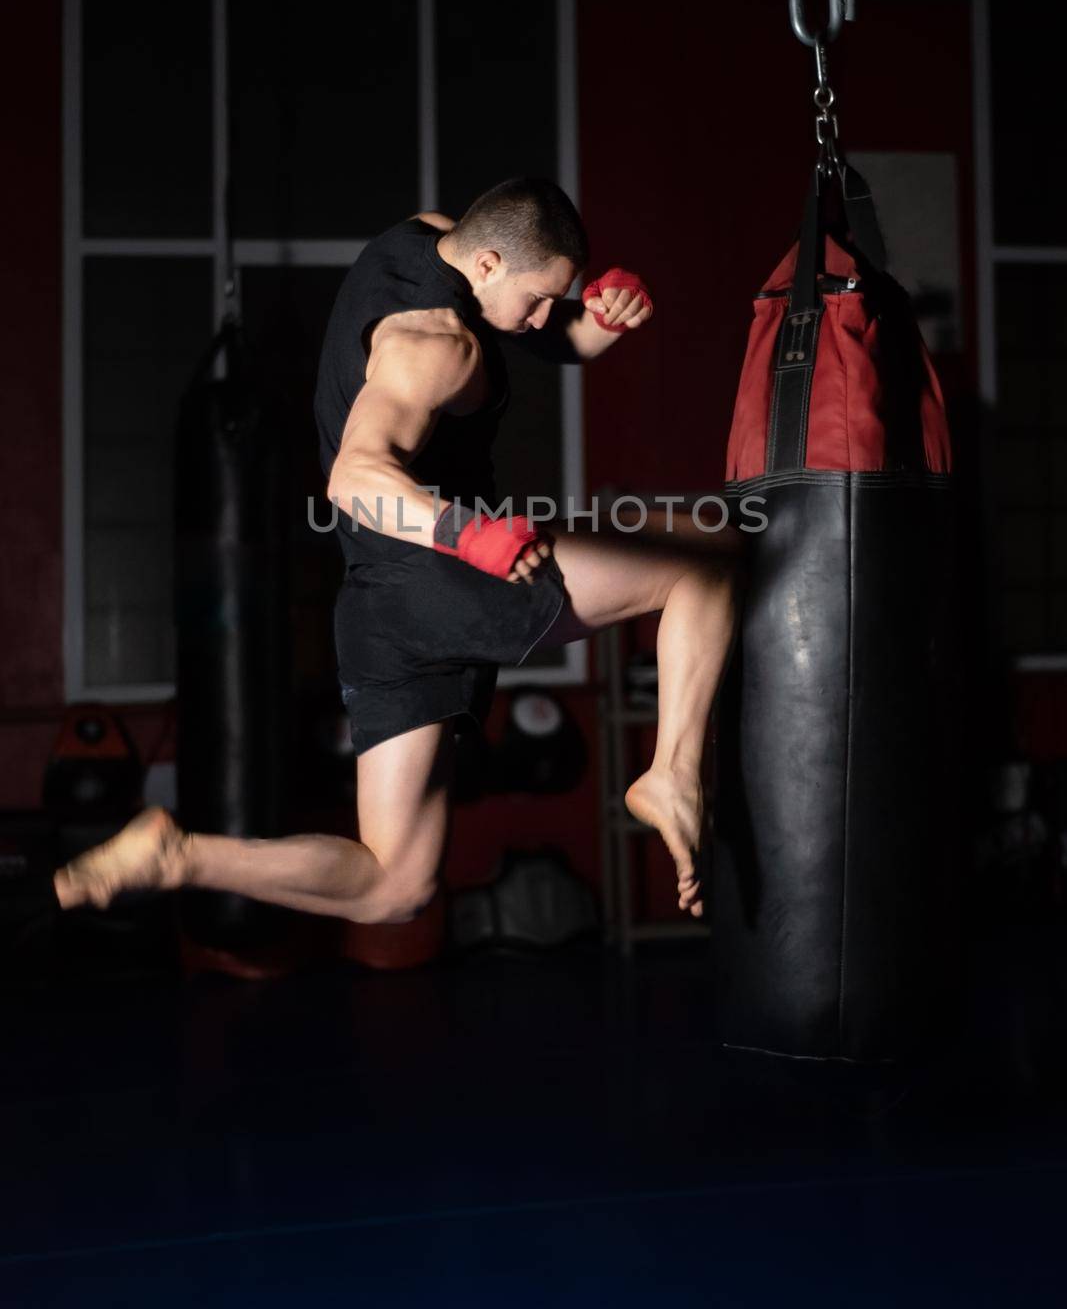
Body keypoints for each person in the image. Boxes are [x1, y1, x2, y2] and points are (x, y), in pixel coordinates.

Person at [54, 177, 741, 925]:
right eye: (540, 297)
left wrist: (599, 318)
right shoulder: (433, 346)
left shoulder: (421, 235)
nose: (546, 315)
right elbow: (353, 478)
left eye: (556, 296)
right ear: (483, 264)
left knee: (392, 888)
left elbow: (551, 330)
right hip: (447, 574)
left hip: (380, 607)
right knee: (706, 568)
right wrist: (469, 534)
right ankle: (672, 775)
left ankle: (178, 854)